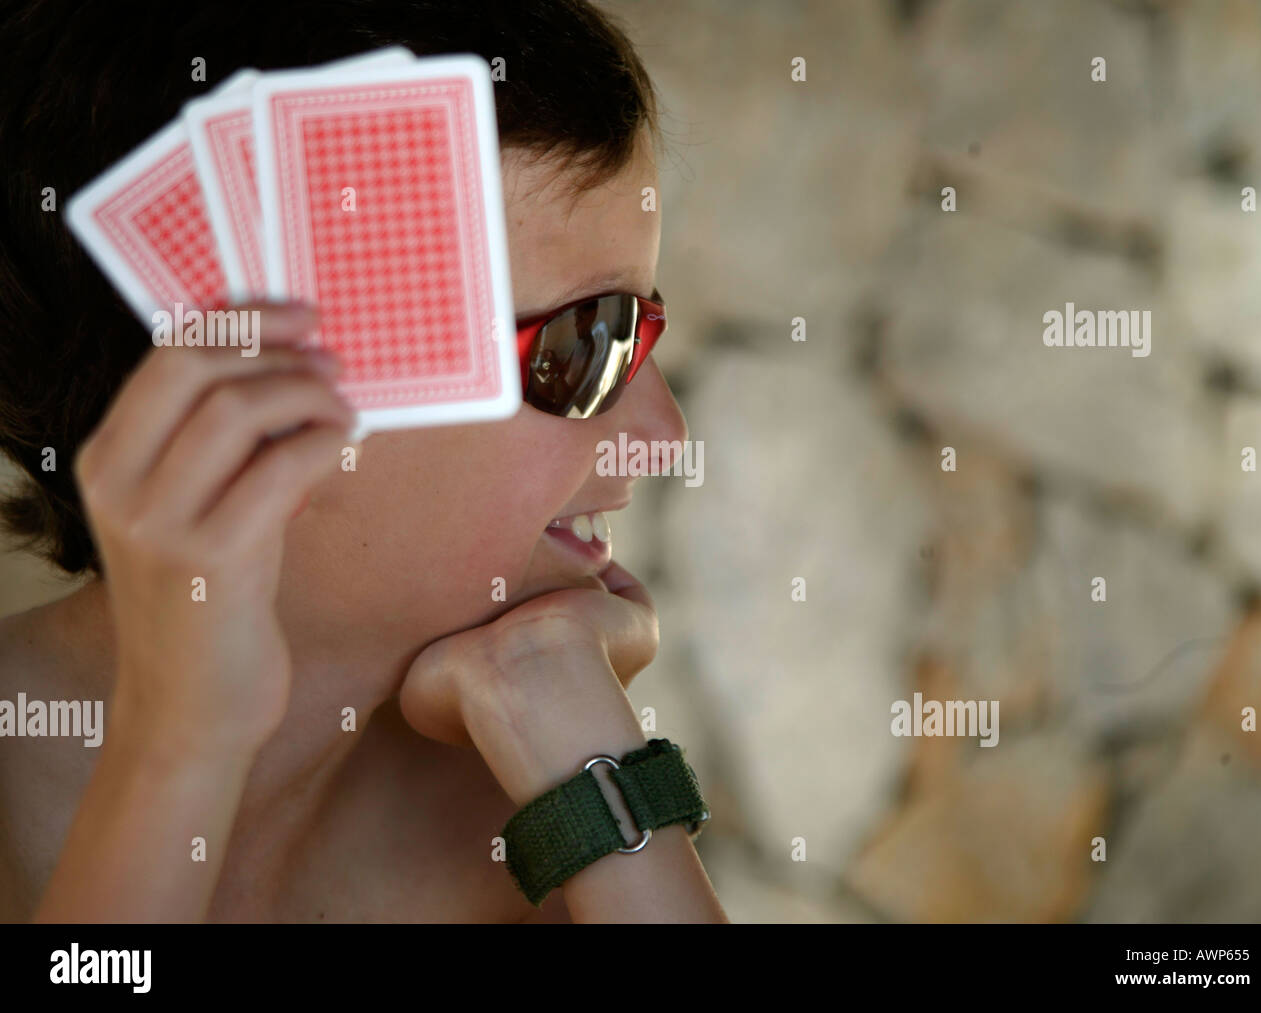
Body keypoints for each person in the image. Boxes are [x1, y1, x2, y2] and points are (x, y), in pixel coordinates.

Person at [0, 0, 728, 923]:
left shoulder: (528, 785)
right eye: (586, 342)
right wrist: (180, 742)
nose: (664, 435)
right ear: (250, 405)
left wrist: (580, 748)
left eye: (645, 323)